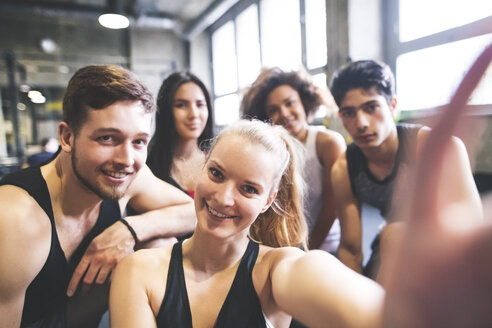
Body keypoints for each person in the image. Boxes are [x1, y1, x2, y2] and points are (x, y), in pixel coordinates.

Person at [109, 119, 384, 328]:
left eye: (249, 189)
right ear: (202, 169)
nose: (224, 198)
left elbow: (375, 311)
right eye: (216, 173)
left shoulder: (277, 270)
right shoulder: (139, 270)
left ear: (268, 200)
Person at [0, 65, 196, 328]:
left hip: (76, 316)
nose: (126, 160)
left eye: (138, 141)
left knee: (160, 245)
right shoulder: (15, 216)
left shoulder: (129, 177)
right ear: (67, 137)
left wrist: (129, 229)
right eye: (107, 138)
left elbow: (195, 212)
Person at [329, 59, 483, 279]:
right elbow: (350, 250)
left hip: (447, 246)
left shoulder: (437, 146)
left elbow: (472, 226)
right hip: (390, 249)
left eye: (371, 107)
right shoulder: (344, 168)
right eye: (349, 113)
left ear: (392, 105)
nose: (361, 123)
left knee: (394, 235)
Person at [241, 67, 346, 253]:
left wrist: (306, 252)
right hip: (281, 249)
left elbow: (333, 206)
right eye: (273, 110)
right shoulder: (266, 153)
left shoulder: (328, 143)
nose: (284, 113)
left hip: (324, 250)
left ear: (304, 102)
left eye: (290, 103)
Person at [146, 71, 214, 198]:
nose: (194, 114)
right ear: (166, 111)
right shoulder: (148, 167)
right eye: (181, 105)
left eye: (200, 104)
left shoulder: (217, 164)